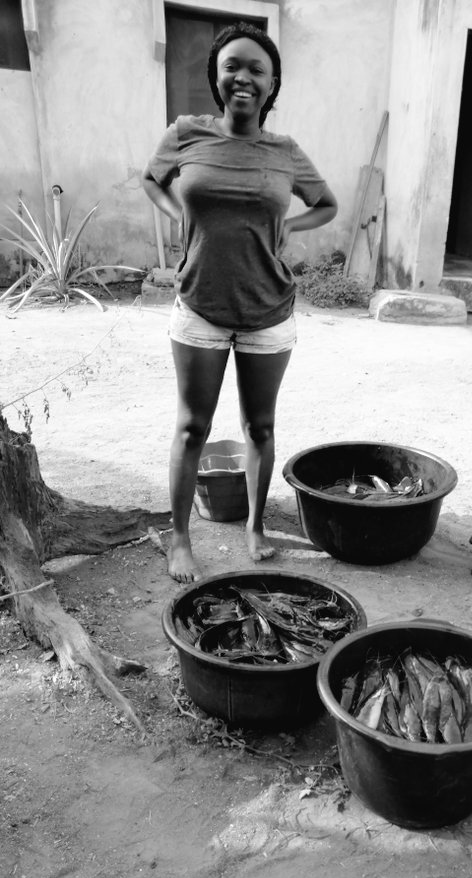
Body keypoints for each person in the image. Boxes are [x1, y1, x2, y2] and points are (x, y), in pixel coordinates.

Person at [142, 22, 337, 582]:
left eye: (257, 69)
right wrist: (179, 212)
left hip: (269, 310)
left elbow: (326, 203)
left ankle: (254, 525)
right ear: (217, 77)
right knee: (190, 428)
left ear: (272, 85)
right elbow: (151, 179)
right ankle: (180, 537)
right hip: (200, 304)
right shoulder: (186, 134)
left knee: (261, 428)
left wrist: (290, 227)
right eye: (233, 67)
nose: (243, 78)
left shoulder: (285, 152)